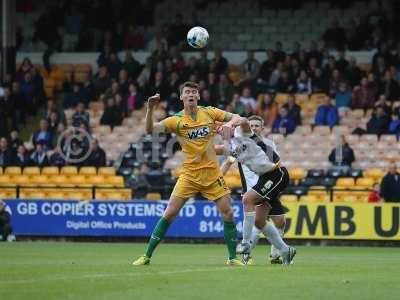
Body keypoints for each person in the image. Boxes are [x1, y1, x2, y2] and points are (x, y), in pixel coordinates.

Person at [132, 81, 245, 266]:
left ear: (198, 97)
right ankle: (146, 255)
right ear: (182, 97)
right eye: (187, 92)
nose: (191, 94)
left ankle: (232, 258)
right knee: (169, 213)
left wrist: (230, 123)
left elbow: (238, 117)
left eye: (194, 92)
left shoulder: (209, 112)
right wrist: (150, 108)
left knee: (228, 213)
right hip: (189, 175)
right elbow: (150, 129)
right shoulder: (176, 120)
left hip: (212, 174)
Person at [217, 116, 296, 265]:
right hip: (263, 180)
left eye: (256, 125)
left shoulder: (245, 134)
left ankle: (246, 244)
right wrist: (197, 147)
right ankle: (286, 251)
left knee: (248, 200)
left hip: (276, 175)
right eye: (220, 131)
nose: (253, 127)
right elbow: (220, 151)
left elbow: (243, 120)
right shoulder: (233, 147)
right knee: (259, 221)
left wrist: (230, 122)